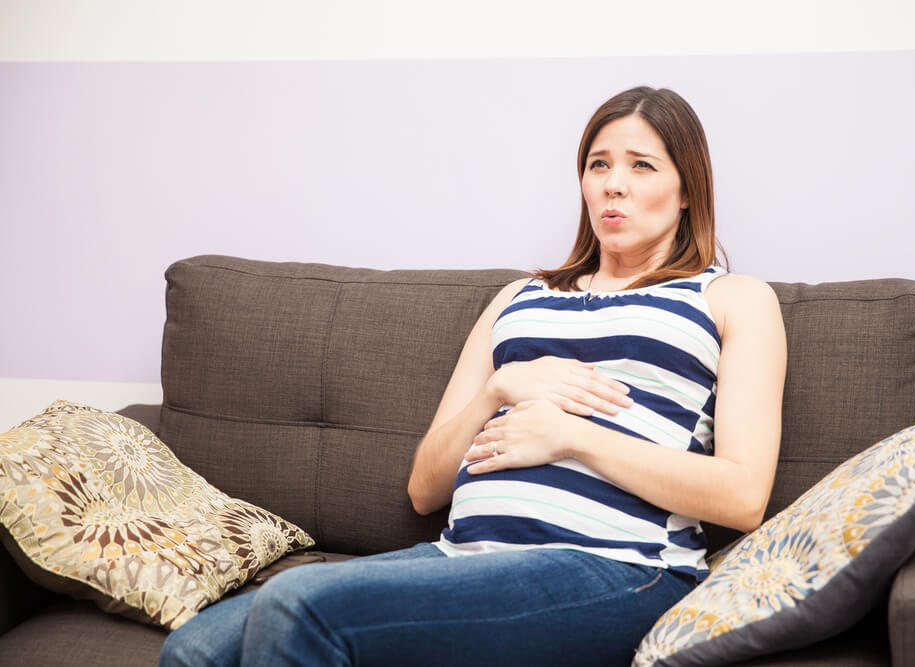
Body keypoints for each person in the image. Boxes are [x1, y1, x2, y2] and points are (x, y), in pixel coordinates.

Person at [159, 85, 787, 667]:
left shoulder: (731, 299)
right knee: (193, 650)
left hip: (614, 565)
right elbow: (424, 488)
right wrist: (499, 389)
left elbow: (743, 496)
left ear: (687, 190)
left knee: (296, 603)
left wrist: (573, 436)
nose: (612, 185)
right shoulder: (519, 298)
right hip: (458, 556)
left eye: (641, 166)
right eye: (598, 165)